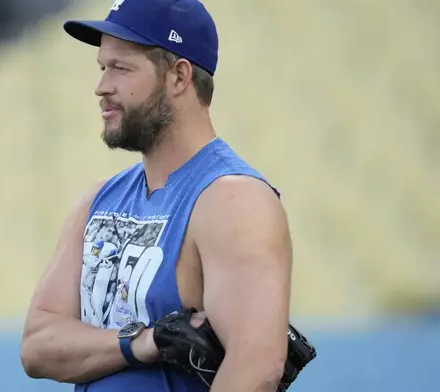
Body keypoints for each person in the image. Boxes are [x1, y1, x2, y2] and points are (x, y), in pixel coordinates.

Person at [20, 0, 293, 391]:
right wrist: (142, 343)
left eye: (121, 68)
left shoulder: (234, 201)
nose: (102, 87)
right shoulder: (98, 201)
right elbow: (36, 345)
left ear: (179, 76)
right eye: (102, 67)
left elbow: (257, 368)